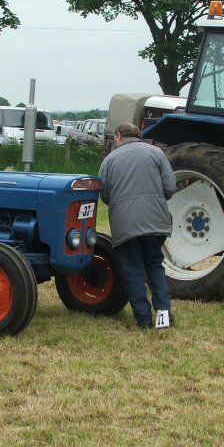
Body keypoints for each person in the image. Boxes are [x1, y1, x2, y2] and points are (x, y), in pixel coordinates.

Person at [99, 122, 177, 329]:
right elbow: (170, 187)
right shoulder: (156, 153)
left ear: (118, 136)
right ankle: (164, 314)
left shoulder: (109, 160)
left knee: (133, 270)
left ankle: (143, 319)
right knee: (154, 265)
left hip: (126, 225)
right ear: (138, 135)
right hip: (155, 221)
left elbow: (105, 195)